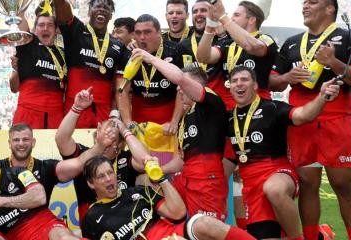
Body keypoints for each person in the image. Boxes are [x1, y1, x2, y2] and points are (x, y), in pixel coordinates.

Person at [269, 0, 351, 239]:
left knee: (344, 186)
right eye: (304, 3)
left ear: (330, 8)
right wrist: (287, 76)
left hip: (336, 121)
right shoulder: (293, 43)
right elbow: (271, 81)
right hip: (301, 122)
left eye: (312, 2)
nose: (304, 6)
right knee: (307, 186)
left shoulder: (348, 39)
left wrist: (334, 63)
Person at [226, 66, 340, 239]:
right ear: (230, 87)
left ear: (255, 85)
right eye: (234, 81)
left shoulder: (272, 108)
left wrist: (322, 96)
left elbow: (304, 115)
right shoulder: (227, 118)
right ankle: (322, 235)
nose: (239, 84)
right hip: (251, 185)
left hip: (278, 172)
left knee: (274, 189)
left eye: (244, 80)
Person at [133, 48, 229, 221]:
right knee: (143, 181)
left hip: (206, 180)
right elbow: (180, 160)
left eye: (183, 87)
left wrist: (150, 58)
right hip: (185, 178)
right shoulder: (185, 119)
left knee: (207, 232)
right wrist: (159, 173)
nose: (179, 90)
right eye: (178, 87)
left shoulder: (211, 102)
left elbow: (179, 78)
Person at [80, 156, 254, 240]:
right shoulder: (92, 217)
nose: (109, 179)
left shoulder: (139, 192)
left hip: (172, 233)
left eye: (110, 172)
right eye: (101, 176)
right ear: (91, 183)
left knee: (205, 223)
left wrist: (161, 179)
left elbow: (178, 213)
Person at [56, 87, 155, 224]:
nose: (106, 140)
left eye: (112, 138)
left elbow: (146, 160)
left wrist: (124, 131)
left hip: (126, 216)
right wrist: (76, 108)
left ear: (120, 145)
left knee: (148, 180)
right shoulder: (85, 155)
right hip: (95, 220)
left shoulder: (124, 159)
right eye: (103, 134)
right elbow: (61, 140)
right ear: (96, 135)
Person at [53, 0, 131, 128]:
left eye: (106, 8)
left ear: (111, 15)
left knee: (102, 147)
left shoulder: (119, 47)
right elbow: (61, 6)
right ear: (89, 11)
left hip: (103, 111)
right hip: (75, 106)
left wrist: (114, 113)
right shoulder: (76, 31)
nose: (102, 9)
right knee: (72, 147)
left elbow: (120, 88)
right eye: (98, 6)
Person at [196, 0, 277, 109]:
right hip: (229, 110)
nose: (232, 18)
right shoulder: (227, 43)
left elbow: (251, 46)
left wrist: (223, 17)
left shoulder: (265, 39)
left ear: (252, 20)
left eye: (237, 15)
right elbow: (203, 57)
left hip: (257, 109)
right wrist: (210, 25)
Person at [117, 14, 184, 135]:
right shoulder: (129, 53)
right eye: (138, 32)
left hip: (168, 124)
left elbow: (182, 88)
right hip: (139, 123)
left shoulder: (176, 50)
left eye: (147, 32)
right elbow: (123, 91)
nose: (142, 37)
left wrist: (174, 122)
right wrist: (127, 122)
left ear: (159, 32)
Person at [9, 8, 66, 129]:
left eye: (50, 25)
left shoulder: (64, 53)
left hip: (56, 114)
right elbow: (20, 15)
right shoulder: (28, 44)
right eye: (41, 25)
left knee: (55, 148)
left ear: (56, 30)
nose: (45, 28)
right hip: (28, 111)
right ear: (35, 30)